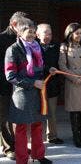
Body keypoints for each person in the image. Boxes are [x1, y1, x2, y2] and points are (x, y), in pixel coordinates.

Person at [5, 17, 52, 164]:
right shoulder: (13, 49)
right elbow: (10, 76)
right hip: (22, 96)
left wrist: (48, 69)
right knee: (21, 129)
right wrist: (33, 83)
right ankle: (22, 159)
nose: (31, 35)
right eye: (28, 32)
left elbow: (39, 68)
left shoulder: (36, 46)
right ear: (19, 32)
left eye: (33, 32)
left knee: (38, 126)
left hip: (38, 94)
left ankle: (38, 155)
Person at [58, 22, 81, 148]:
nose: (80, 35)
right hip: (72, 83)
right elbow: (62, 65)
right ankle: (76, 137)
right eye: (77, 33)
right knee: (75, 112)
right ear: (70, 33)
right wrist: (74, 78)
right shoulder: (64, 46)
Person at [0, 11, 27, 160]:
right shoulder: (2, 39)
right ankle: (8, 148)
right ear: (14, 24)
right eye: (23, 25)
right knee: (3, 118)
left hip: (20, 86)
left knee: (16, 118)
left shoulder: (22, 39)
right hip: (3, 85)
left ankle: (19, 145)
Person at [36, 23, 64, 144]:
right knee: (38, 112)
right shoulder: (33, 46)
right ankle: (37, 139)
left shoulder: (57, 46)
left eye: (50, 33)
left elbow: (60, 63)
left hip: (52, 84)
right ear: (37, 34)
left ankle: (52, 136)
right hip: (37, 85)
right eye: (45, 33)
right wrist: (48, 68)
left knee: (52, 112)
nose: (48, 35)